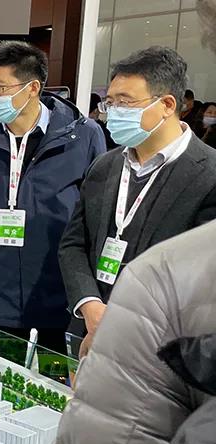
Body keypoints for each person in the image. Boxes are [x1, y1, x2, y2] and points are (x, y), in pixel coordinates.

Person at [30, 221, 216, 444]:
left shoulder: (171, 276)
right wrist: (90, 305)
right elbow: (73, 242)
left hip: (129, 332)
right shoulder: (168, 279)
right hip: (91, 326)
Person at [0, 41, 106, 353]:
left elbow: (96, 222)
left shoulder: (83, 135)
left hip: (62, 297)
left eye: (0, 87)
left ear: (32, 88)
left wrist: (92, 298)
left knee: (54, 378)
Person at [58, 46, 216, 355]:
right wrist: (89, 305)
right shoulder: (105, 165)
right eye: (110, 102)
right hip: (87, 333)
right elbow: (74, 243)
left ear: (167, 104)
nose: (113, 111)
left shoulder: (208, 175)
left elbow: (202, 281)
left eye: (125, 102)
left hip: (158, 349)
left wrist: (122, 324)